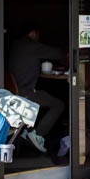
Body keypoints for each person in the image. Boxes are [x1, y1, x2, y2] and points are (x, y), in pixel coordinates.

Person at [8, 25, 66, 155]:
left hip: (14, 93)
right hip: (25, 94)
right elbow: (57, 53)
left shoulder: (15, 45)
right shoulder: (32, 46)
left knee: (44, 95)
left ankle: (26, 131)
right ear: (33, 33)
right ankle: (37, 134)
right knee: (59, 104)